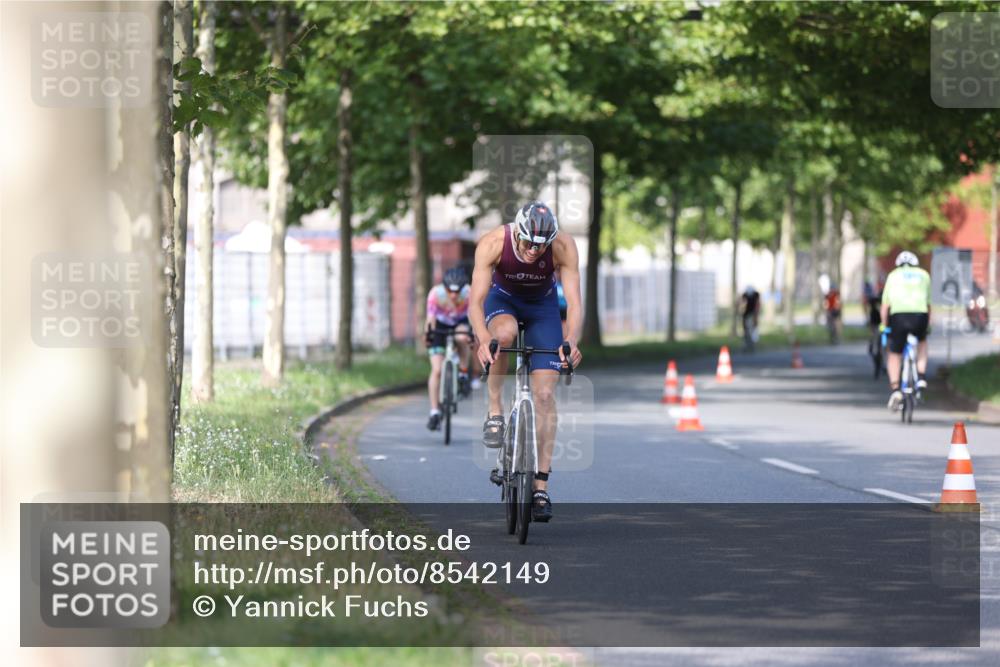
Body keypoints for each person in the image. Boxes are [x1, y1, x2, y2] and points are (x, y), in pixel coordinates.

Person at [468, 201, 583, 522]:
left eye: (540, 245)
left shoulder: (562, 246)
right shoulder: (493, 243)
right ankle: (495, 410)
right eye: (529, 242)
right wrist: (481, 339)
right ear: (517, 232)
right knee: (501, 336)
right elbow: (475, 303)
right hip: (501, 300)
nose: (534, 250)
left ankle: (540, 487)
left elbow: (574, 302)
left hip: (542, 307)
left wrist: (571, 339)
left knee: (545, 395)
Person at [879, 250, 932, 410]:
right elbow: (928, 305)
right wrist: (927, 324)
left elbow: (885, 306)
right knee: (922, 342)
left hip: (899, 316)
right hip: (919, 315)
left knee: (894, 354)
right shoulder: (924, 275)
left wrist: (884, 325)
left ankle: (895, 389)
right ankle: (921, 377)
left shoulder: (893, 275)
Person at [425, 267, 473, 431]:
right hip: (440, 324)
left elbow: (474, 315)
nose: (453, 295)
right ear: (444, 287)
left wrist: (472, 335)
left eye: (457, 291)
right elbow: (430, 318)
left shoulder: (469, 293)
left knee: (462, 337)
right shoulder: (435, 294)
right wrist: (428, 335)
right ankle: (434, 412)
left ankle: (463, 371)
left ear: (463, 288)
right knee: (437, 370)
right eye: (450, 291)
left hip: (461, 321)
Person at [740, 286, 760, 350]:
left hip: (752, 315)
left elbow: (757, 305)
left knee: (753, 330)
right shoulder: (745, 296)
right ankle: (746, 344)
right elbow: (742, 304)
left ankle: (752, 344)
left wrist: (756, 316)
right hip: (746, 315)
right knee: (746, 330)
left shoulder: (756, 296)